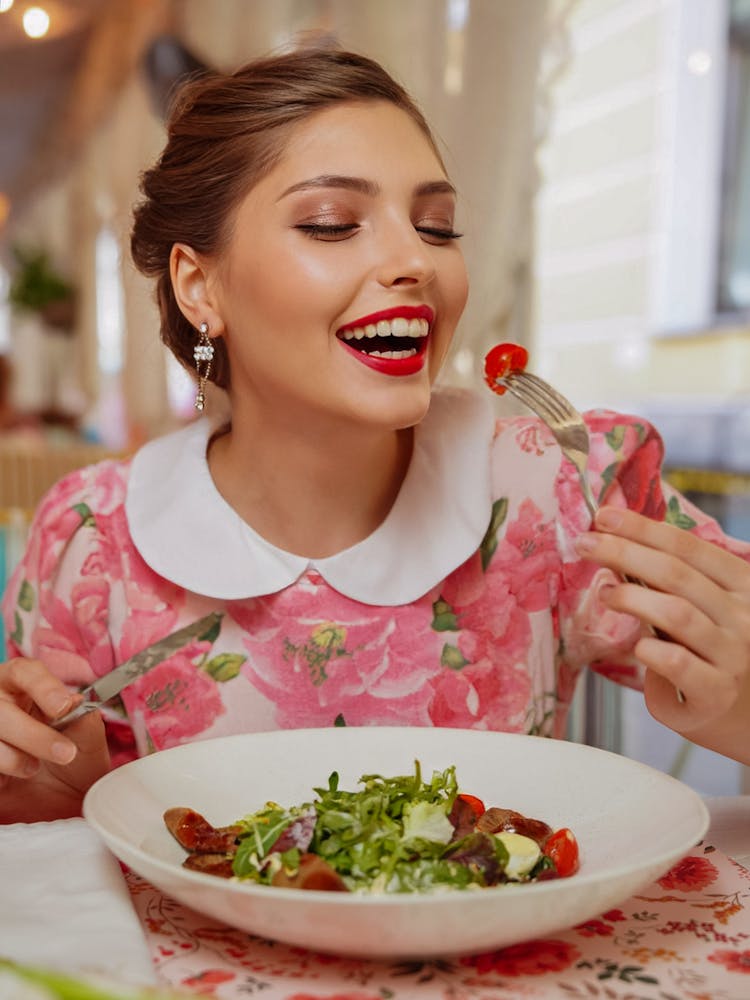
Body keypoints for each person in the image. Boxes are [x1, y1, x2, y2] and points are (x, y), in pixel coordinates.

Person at [0, 46, 749, 825]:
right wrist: (51, 792)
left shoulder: (564, 486)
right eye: (332, 224)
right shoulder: (91, 543)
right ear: (199, 286)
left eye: (437, 226)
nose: (413, 260)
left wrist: (739, 703)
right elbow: (61, 839)